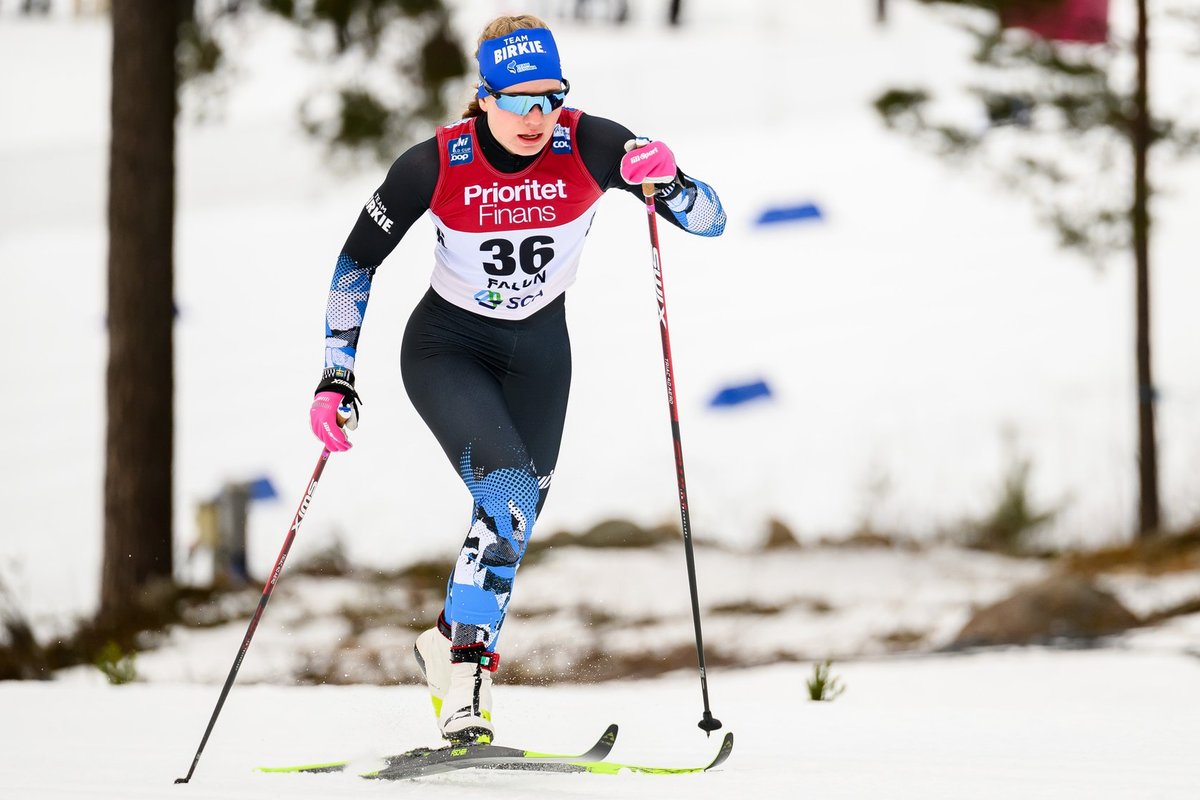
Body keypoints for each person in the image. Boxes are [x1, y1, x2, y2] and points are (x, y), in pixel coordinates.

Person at [308, 14, 725, 745]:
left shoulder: (592, 143)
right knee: (504, 495)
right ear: (484, 97)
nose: (536, 118)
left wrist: (673, 181)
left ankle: (445, 642)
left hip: (541, 355)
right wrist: (335, 375)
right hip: (447, 348)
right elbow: (355, 264)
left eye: (549, 98)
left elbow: (711, 220)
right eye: (517, 100)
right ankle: (467, 684)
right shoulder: (433, 164)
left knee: (513, 520)